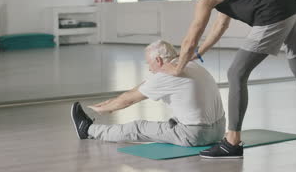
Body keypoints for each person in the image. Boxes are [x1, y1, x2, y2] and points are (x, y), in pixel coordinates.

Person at [162, 0, 296, 158]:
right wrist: (200, 52)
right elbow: (220, 25)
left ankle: (232, 142)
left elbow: (193, 34)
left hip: (273, 16)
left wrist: (178, 68)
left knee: (236, 73)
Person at [71, 40, 225, 147]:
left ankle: (87, 130)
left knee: (137, 128)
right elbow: (145, 85)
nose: (149, 68)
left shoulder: (166, 76)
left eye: (149, 64)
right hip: (219, 131)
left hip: (196, 135)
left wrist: (104, 109)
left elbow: (128, 100)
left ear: (158, 60)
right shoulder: (190, 65)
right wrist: (110, 102)